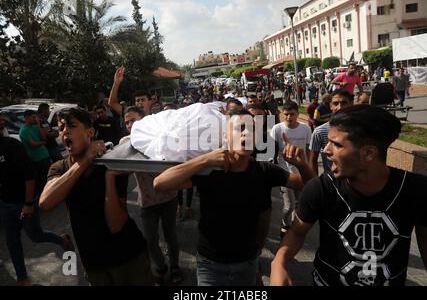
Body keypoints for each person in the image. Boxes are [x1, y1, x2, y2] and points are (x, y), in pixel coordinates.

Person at [270, 105, 427, 286]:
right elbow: (297, 232)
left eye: (336, 144)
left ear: (369, 153)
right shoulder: (321, 188)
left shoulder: (417, 190)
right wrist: (279, 263)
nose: (326, 150)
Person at [153, 109, 315, 286]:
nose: (247, 133)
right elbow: (160, 184)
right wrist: (204, 160)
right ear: (225, 136)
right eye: (240, 128)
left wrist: (302, 165)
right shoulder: (211, 171)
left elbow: (311, 186)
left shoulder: (264, 170)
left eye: (252, 129)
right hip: (210, 265)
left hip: (248, 263)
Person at [39, 107, 153, 286]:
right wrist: (84, 162)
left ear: (90, 132)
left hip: (128, 257)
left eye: (72, 126)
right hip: (94, 264)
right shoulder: (58, 169)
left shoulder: (111, 163)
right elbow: (46, 202)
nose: (65, 131)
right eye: (61, 128)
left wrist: (109, 177)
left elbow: (116, 224)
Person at [1, 114, 73, 285]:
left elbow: (29, 175)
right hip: (5, 204)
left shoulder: (12, 145)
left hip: (23, 202)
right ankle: (22, 278)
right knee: (12, 242)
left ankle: (62, 240)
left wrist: (28, 203)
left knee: (36, 235)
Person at [119, 106, 184, 285]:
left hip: (169, 198)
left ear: (145, 120)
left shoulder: (162, 136)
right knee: (150, 240)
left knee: (171, 235)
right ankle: (161, 267)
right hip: (146, 202)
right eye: (127, 122)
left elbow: (176, 165)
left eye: (134, 120)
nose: (131, 125)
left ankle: (175, 266)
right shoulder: (126, 142)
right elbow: (121, 169)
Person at [270, 102, 312, 239]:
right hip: (285, 173)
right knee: (289, 206)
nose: (289, 117)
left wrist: (309, 167)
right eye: (286, 114)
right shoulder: (277, 129)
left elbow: (308, 150)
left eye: (292, 114)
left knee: (301, 203)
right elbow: (272, 150)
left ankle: (295, 228)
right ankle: (285, 223)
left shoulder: (305, 128)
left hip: (302, 173)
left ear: (297, 114)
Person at [309, 89, 354, 176]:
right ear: (330, 106)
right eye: (336, 103)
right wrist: (315, 183)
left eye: (344, 102)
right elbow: (313, 160)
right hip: (331, 181)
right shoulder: (319, 132)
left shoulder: (361, 128)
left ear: (351, 104)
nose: (340, 107)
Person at [19, 110, 51, 199]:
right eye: (33, 117)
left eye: (36, 117)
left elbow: (44, 137)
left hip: (44, 155)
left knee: (47, 177)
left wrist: (38, 126)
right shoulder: (23, 130)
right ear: (27, 118)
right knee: (40, 180)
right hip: (36, 158)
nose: (36, 119)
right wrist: (42, 143)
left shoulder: (35, 127)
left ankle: (47, 194)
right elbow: (32, 144)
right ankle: (41, 197)